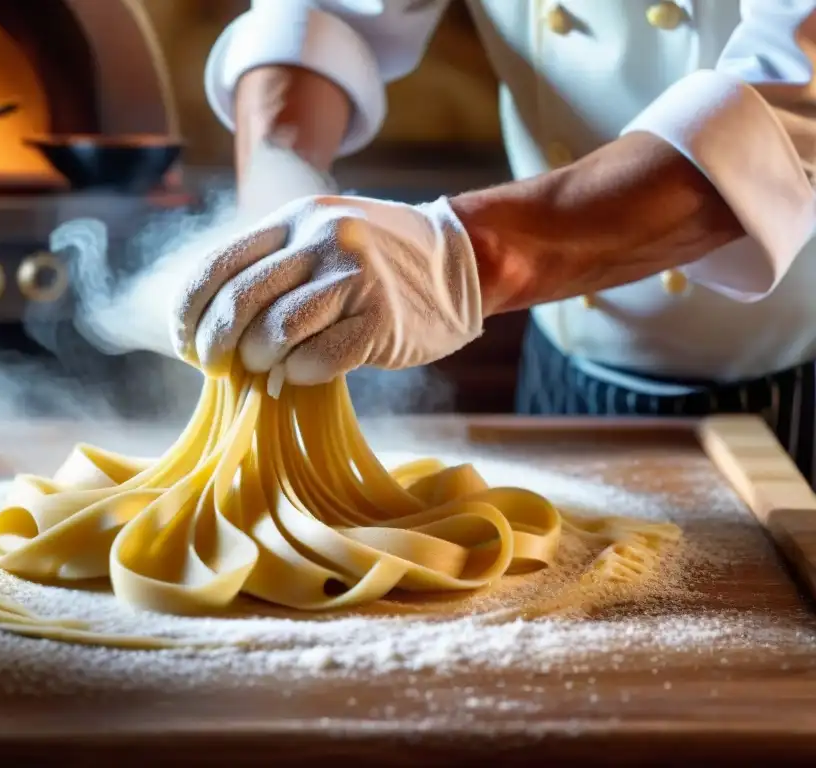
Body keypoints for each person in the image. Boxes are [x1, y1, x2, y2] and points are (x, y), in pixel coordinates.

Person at [168, 1, 816, 479]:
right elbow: (331, 13)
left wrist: (464, 258)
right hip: (563, 363)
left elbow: (792, 112)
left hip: (798, 383)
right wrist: (279, 184)